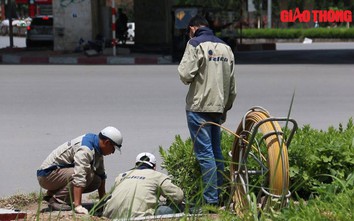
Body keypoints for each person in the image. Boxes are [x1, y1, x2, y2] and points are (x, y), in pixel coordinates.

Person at [177, 15, 236, 206]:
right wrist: (224, 108)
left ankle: (210, 201)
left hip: (199, 107)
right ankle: (219, 195)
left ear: (192, 28)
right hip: (218, 108)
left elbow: (185, 75)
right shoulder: (226, 48)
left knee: (205, 155)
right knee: (216, 152)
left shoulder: (195, 44)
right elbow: (232, 86)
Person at [36, 126, 123, 214]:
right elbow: (79, 175)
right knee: (87, 173)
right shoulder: (86, 149)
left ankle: (53, 194)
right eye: (113, 148)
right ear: (107, 142)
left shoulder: (97, 147)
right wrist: (78, 206)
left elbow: (101, 175)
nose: (112, 152)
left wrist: (102, 202)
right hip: (46, 175)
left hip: (58, 175)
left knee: (97, 180)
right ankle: (58, 200)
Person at [103, 152, 184, 219]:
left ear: (136, 164)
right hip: (138, 218)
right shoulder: (157, 175)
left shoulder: (121, 176)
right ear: (154, 167)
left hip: (111, 217)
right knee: (165, 210)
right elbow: (178, 196)